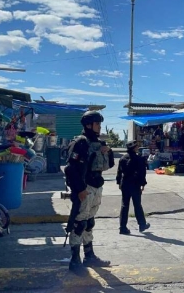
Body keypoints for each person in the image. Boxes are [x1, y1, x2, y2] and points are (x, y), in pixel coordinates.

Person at [64, 111, 115, 275]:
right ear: (88, 125)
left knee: (89, 221)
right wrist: (79, 189)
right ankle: (75, 260)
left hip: (97, 186)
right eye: (97, 123)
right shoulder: (81, 143)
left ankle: (89, 255)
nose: (99, 127)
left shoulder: (99, 143)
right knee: (80, 223)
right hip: (85, 189)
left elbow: (109, 164)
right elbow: (70, 168)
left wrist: (108, 152)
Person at [117, 140, 150, 235]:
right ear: (134, 148)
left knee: (124, 205)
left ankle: (122, 227)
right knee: (137, 205)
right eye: (136, 146)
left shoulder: (122, 158)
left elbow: (119, 172)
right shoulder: (139, 159)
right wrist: (142, 184)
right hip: (135, 185)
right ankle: (142, 224)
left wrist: (119, 182)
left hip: (125, 184)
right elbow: (142, 173)